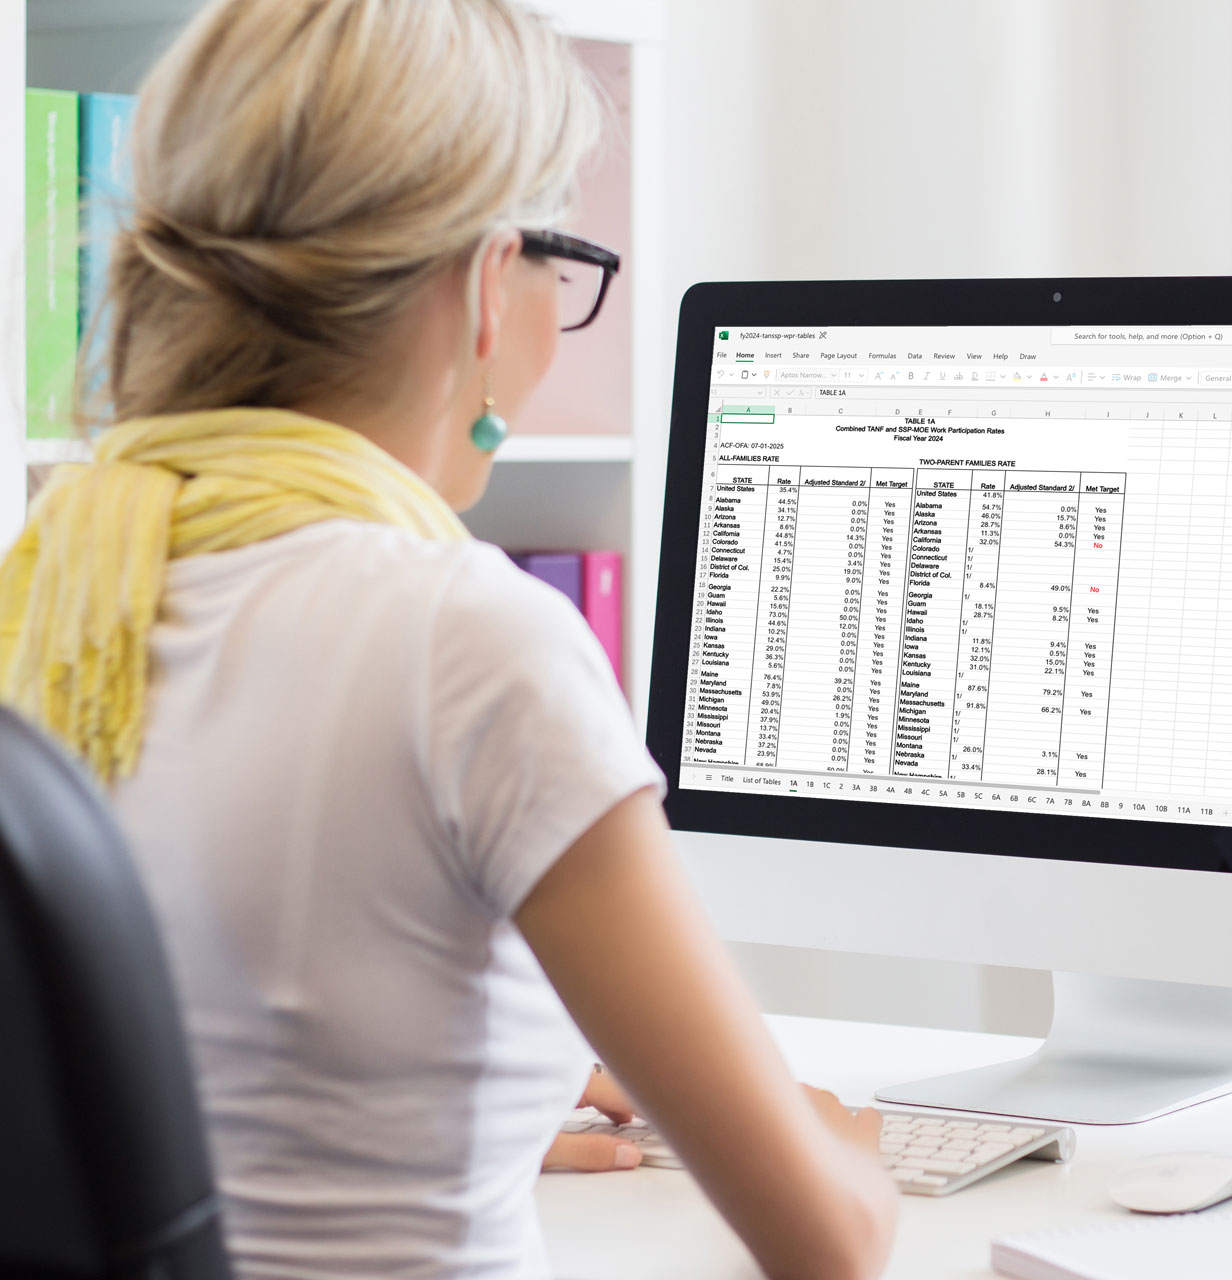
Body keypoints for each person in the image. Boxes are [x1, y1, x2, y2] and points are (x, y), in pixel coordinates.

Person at [0, 2, 897, 1277]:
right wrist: (854, 1152)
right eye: (564, 260)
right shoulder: (469, 640)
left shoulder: (57, 587)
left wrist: (473, 1102)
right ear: (487, 280)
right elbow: (829, 1241)